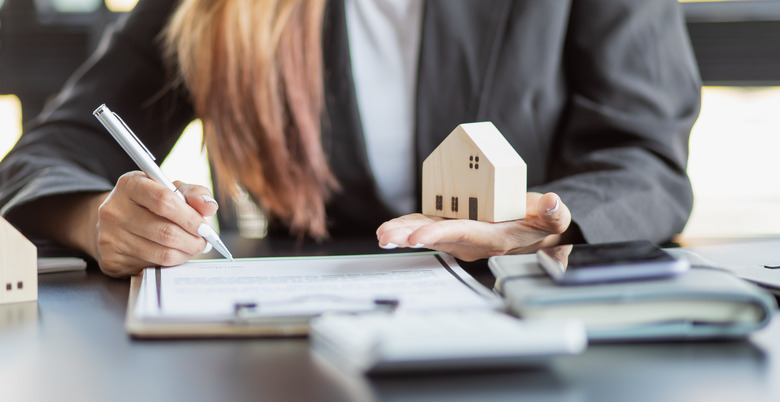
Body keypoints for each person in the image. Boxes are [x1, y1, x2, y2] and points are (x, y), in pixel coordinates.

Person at [0, 0, 700, 278]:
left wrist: (545, 219)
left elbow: (645, 159)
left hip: (527, 321)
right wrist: (102, 223)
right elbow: (45, 156)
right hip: (297, 350)